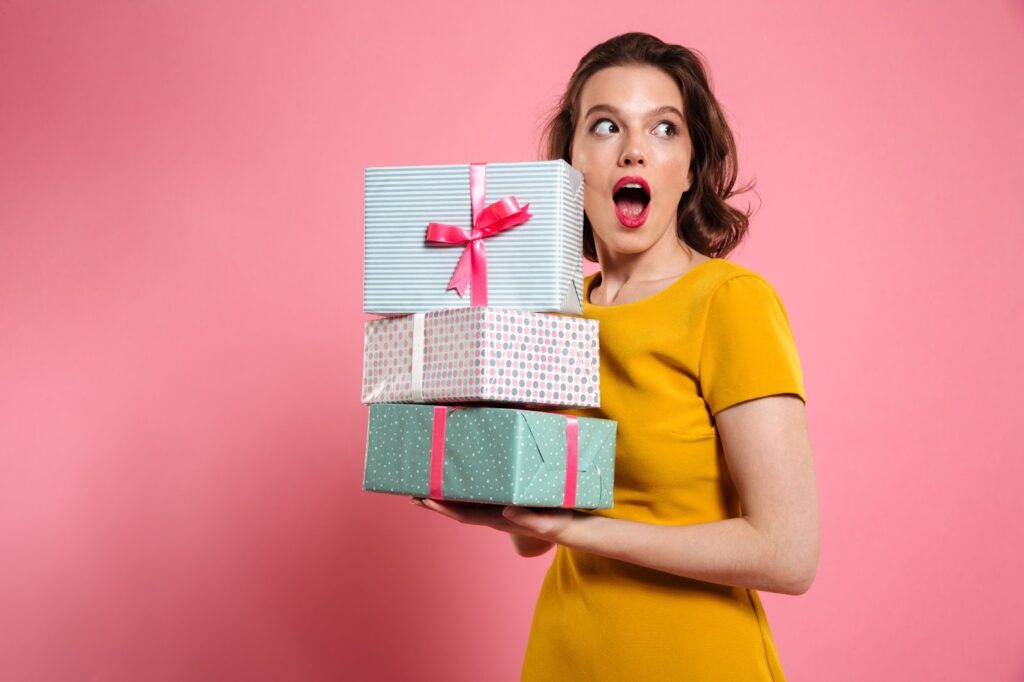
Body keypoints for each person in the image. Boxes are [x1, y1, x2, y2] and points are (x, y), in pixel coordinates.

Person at [412, 32, 818, 681]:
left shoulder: (730, 303)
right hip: (566, 653)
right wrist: (476, 434)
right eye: (605, 126)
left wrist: (581, 529)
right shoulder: (554, 306)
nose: (633, 148)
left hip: (697, 659)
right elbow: (530, 535)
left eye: (664, 128)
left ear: (690, 169)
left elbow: (790, 553)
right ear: (570, 163)